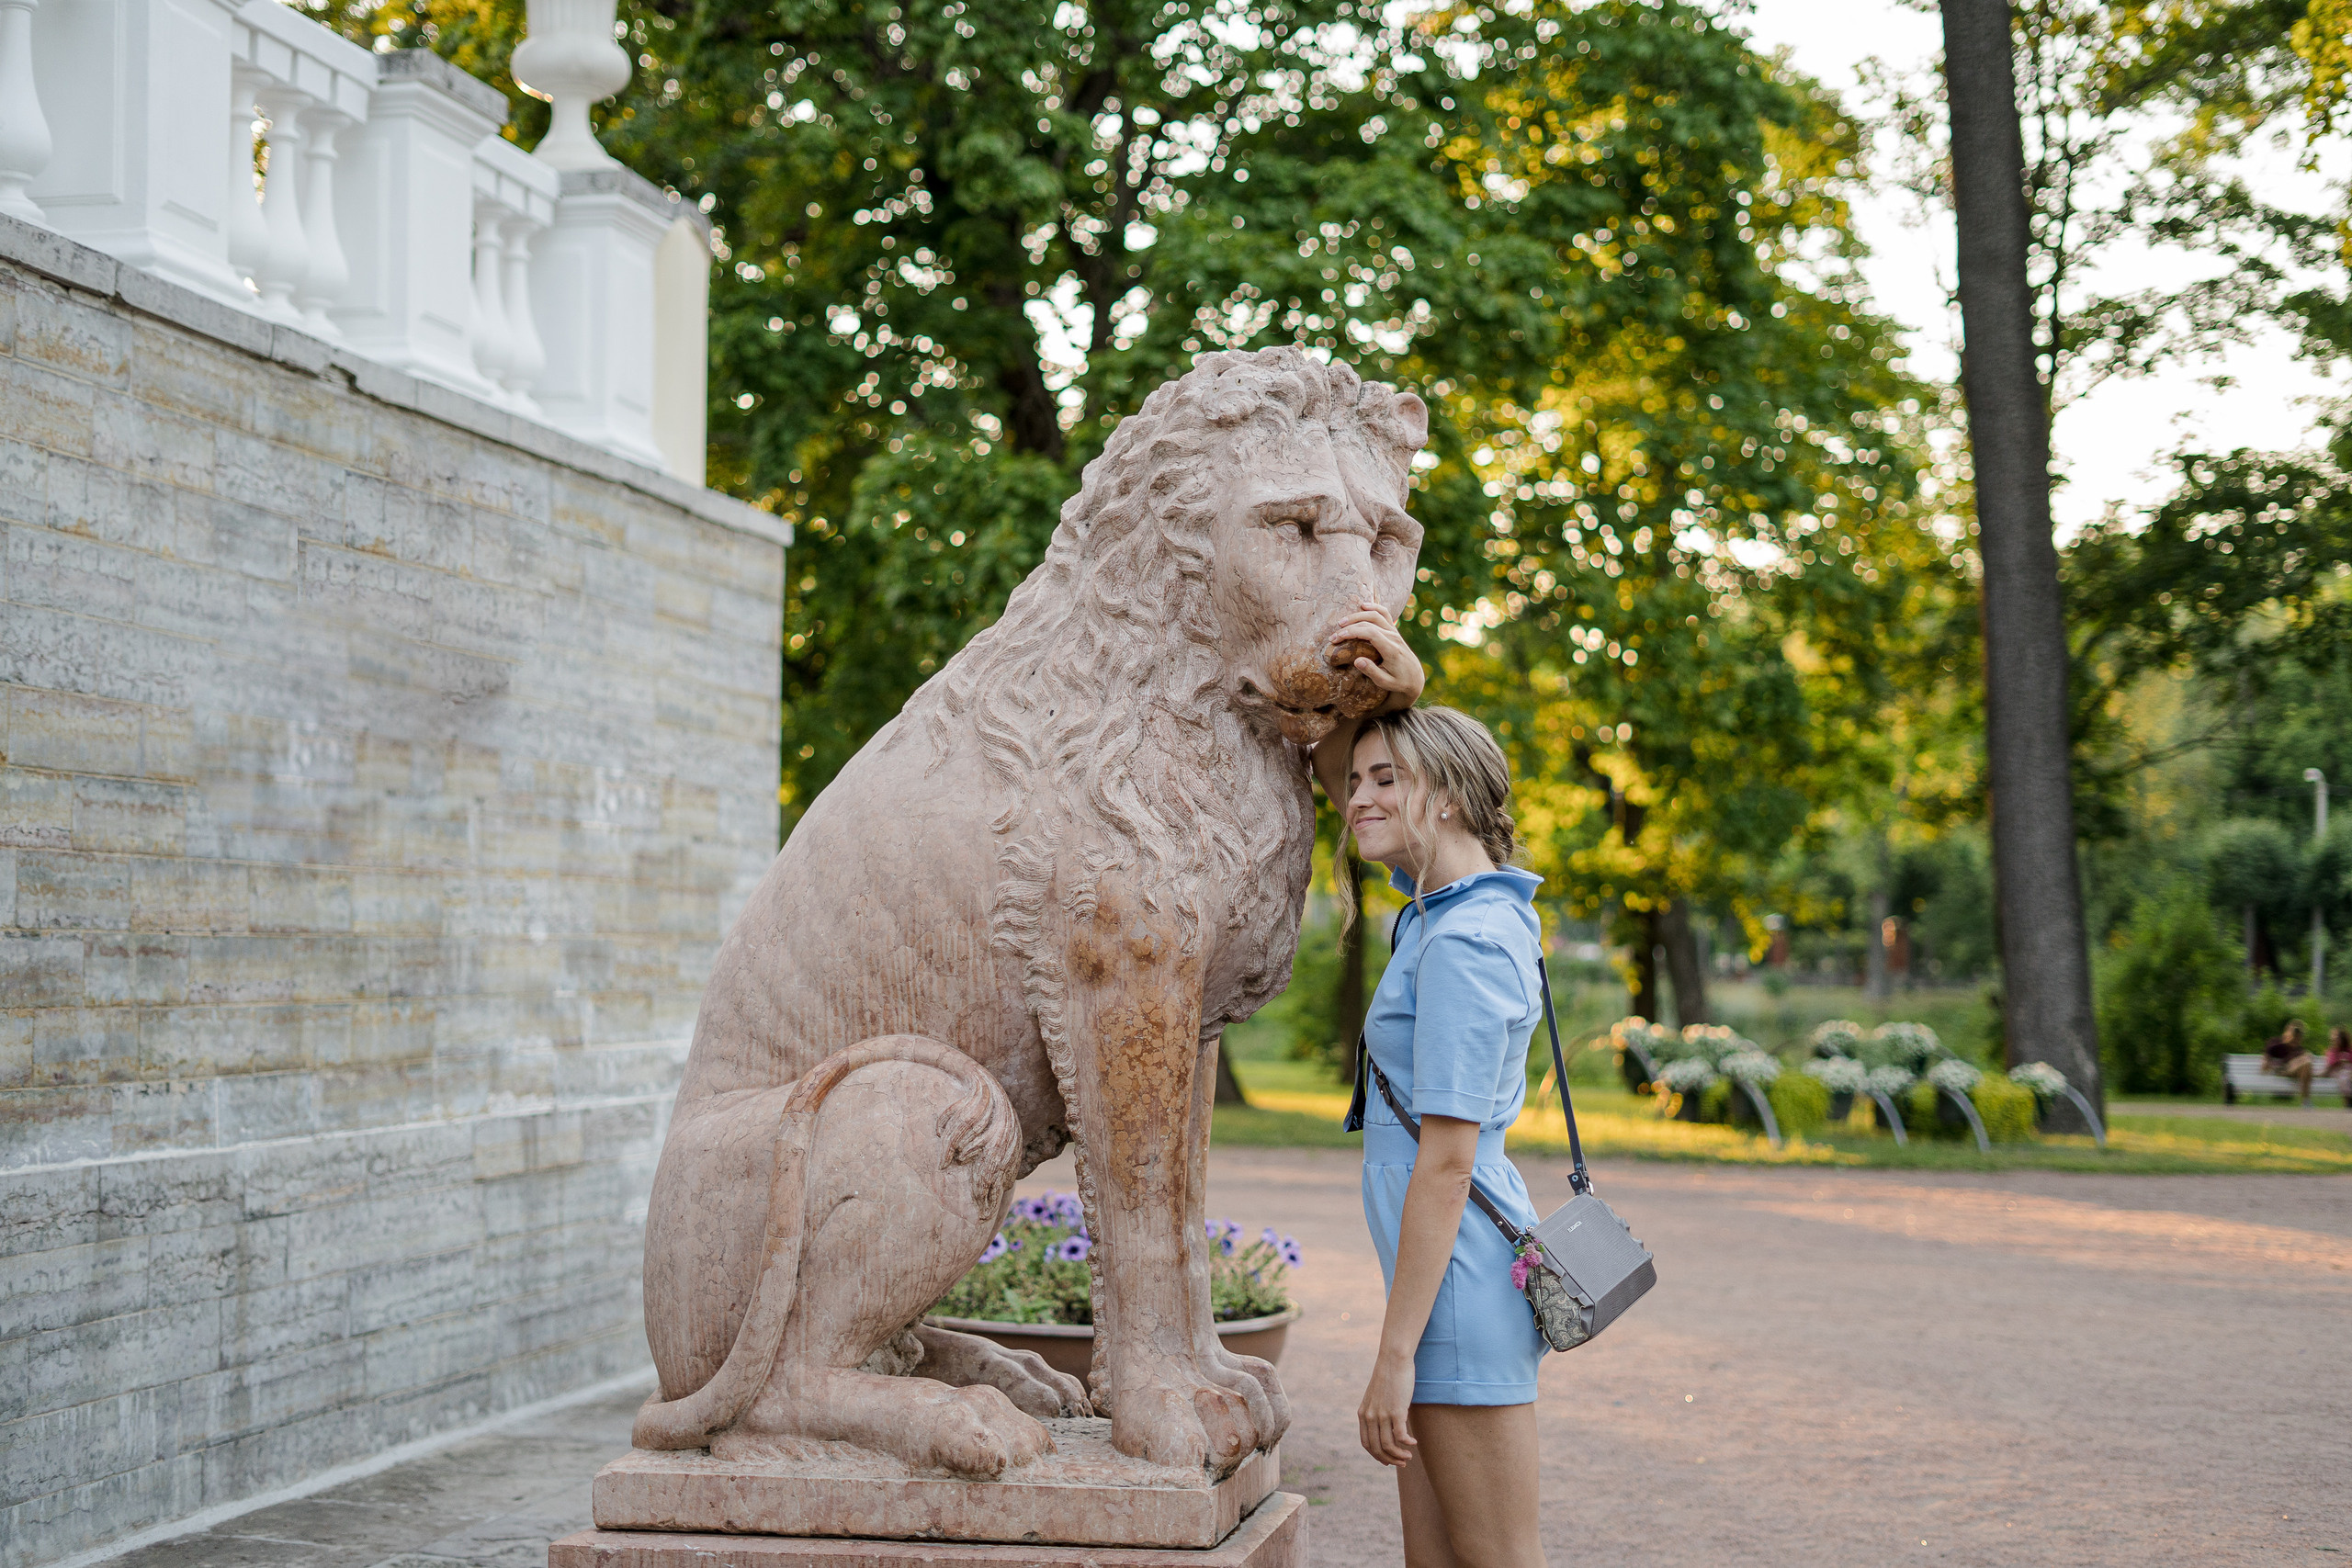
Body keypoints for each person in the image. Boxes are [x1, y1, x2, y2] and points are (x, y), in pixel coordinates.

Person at [1309, 604, 1550, 1568]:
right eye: (1358, 783)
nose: (1356, 798)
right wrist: (1395, 692)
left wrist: (1394, 1353)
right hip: (1446, 1286)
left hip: (1458, 1293)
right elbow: (1329, 760)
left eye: (1388, 780)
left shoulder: (1465, 941)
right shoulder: (1450, 909)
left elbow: (1447, 1164)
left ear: (1445, 798)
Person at [2263, 1020, 2315, 1107]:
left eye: (2299, 1036)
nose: (2296, 1038)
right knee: (2306, 1061)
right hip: (2282, 1071)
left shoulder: (2299, 1050)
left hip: (2295, 1073)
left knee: (2307, 1061)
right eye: (2294, 1034)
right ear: (2287, 1031)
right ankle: (2306, 1101)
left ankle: (2306, 1102)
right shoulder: (2276, 1043)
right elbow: (2266, 1063)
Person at [2323, 1026, 2352, 1108]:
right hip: (2337, 1072)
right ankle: (2348, 1102)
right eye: (2333, 1039)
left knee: (2347, 1075)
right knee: (2344, 1076)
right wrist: (2340, 1060)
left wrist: (2346, 1060)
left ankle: (2348, 1102)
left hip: (2348, 1073)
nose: (2333, 1041)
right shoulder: (2332, 1051)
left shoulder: (2349, 1050)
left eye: (2336, 1039)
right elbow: (2331, 1064)